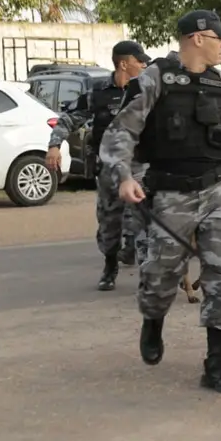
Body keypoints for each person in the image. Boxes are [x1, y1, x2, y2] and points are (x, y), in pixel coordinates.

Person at [99, 10, 221, 395]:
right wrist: (124, 175)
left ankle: (214, 365)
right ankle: (153, 321)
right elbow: (121, 131)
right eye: (219, 38)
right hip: (171, 194)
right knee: (160, 277)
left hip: (218, 192)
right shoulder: (154, 79)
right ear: (197, 38)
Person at [45, 40, 151, 290]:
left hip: (140, 167)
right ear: (123, 64)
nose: (143, 65)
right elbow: (69, 118)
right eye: (139, 61)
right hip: (108, 170)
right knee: (109, 224)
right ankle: (110, 264)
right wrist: (54, 145)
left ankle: (147, 275)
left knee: (144, 221)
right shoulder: (98, 92)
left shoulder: (148, 90)